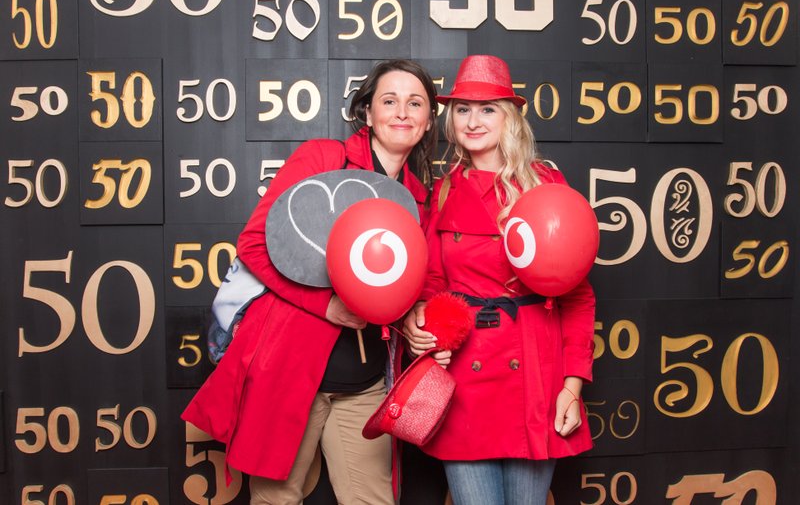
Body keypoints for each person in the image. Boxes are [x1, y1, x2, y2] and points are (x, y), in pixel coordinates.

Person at [183, 59, 438, 505]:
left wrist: (418, 314)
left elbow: (411, 284)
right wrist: (325, 306)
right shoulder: (323, 159)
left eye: (415, 103)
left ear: (429, 120)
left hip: (365, 384)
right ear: (367, 112)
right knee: (276, 499)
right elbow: (255, 246)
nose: (402, 112)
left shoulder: (419, 198)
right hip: (291, 373)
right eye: (389, 101)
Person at [403, 55, 595, 505]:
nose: (473, 122)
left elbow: (578, 295)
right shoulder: (443, 190)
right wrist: (422, 321)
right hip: (465, 379)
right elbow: (432, 283)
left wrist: (572, 386)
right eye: (463, 110)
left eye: (487, 109)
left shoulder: (545, 184)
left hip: (534, 374)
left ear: (509, 116)